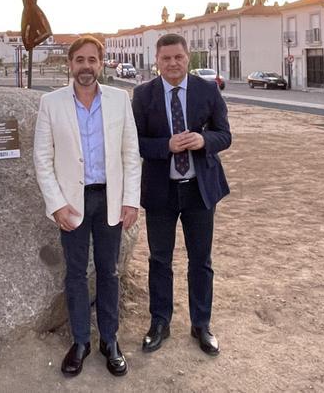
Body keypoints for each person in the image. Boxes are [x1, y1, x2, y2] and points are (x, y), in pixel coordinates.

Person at [33, 36, 141, 377]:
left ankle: (110, 340)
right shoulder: (51, 103)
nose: (86, 66)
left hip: (110, 199)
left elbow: (130, 155)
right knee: (76, 274)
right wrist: (56, 205)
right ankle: (80, 341)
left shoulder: (119, 100)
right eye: (79, 60)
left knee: (109, 272)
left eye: (92, 60)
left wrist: (130, 201)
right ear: (70, 63)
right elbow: (42, 158)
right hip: (73, 205)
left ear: (101, 62)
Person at [131, 33, 232, 357]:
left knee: (200, 261)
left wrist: (204, 142)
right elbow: (133, 143)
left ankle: (201, 325)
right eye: (166, 59)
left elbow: (225, 135)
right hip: (161, 190)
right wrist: (165, 146)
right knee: (160, 260)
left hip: (199, 189)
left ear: (189, 58)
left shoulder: (207, 89)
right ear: (156, 61)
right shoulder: (143, 94)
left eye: (178, 57)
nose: (172, 63)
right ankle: (159, 323)